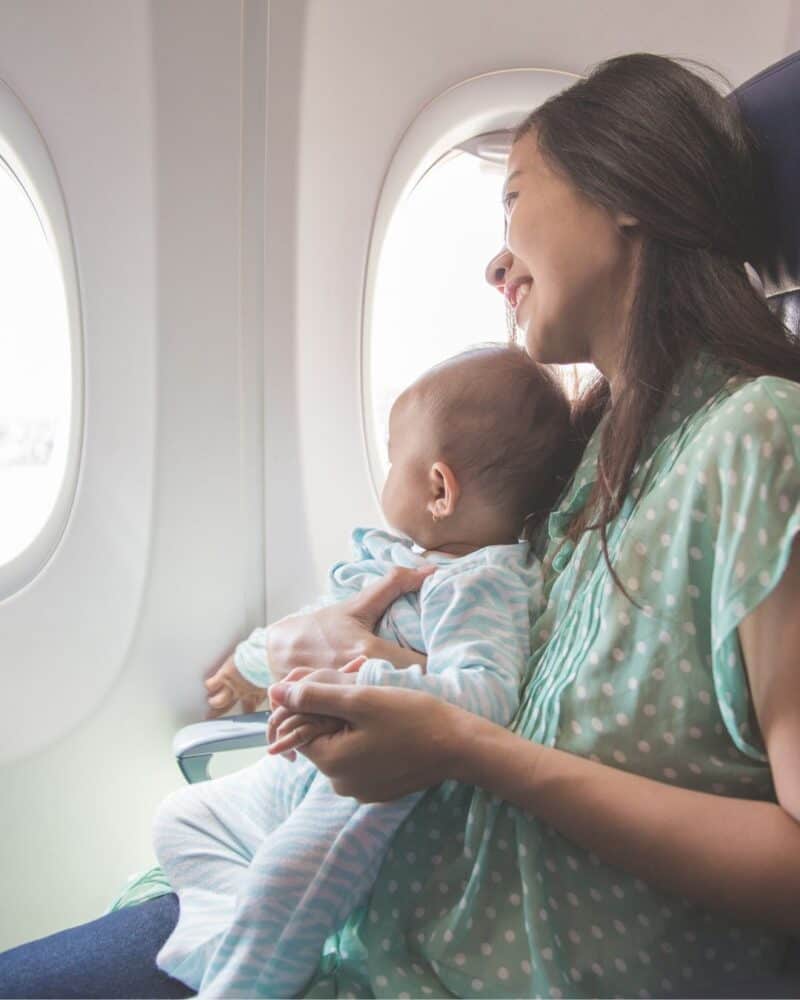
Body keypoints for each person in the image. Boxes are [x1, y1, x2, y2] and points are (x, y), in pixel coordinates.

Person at [2, 50, 800, 1000]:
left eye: (512, 199)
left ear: (625, 191)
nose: (496, 259)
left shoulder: (758, 438)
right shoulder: (593, 459)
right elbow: (526, 696)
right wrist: (380, 671)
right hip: (392, 934)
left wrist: (464, 750)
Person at [149, 344, 580, 999]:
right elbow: (325, 620)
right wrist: (248, 667)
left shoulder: (483, 583)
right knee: (181, 818)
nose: (384, 473)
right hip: (293, 771)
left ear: (438, 487)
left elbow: (486, 695)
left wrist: (378, 677)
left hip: (366, 791)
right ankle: (232, 941)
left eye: (391, 456)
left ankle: (245, 978)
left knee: (282, 885)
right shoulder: (401, 556)